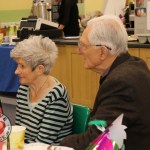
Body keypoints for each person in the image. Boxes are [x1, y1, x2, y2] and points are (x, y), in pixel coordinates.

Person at [60, 15, 150, 150]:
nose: (79, 51)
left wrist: (58, 145)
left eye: (83, 46)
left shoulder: (121, 82)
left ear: (102, 52)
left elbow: (97, 141)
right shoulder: (133, 65)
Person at [10, 35, 73, 145]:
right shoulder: (23, 89)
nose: (16, 71)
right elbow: (19, 131)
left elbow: (42, 144)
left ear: (40, 69)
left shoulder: (56, 95)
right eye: (17, 65)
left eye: (22, 66)